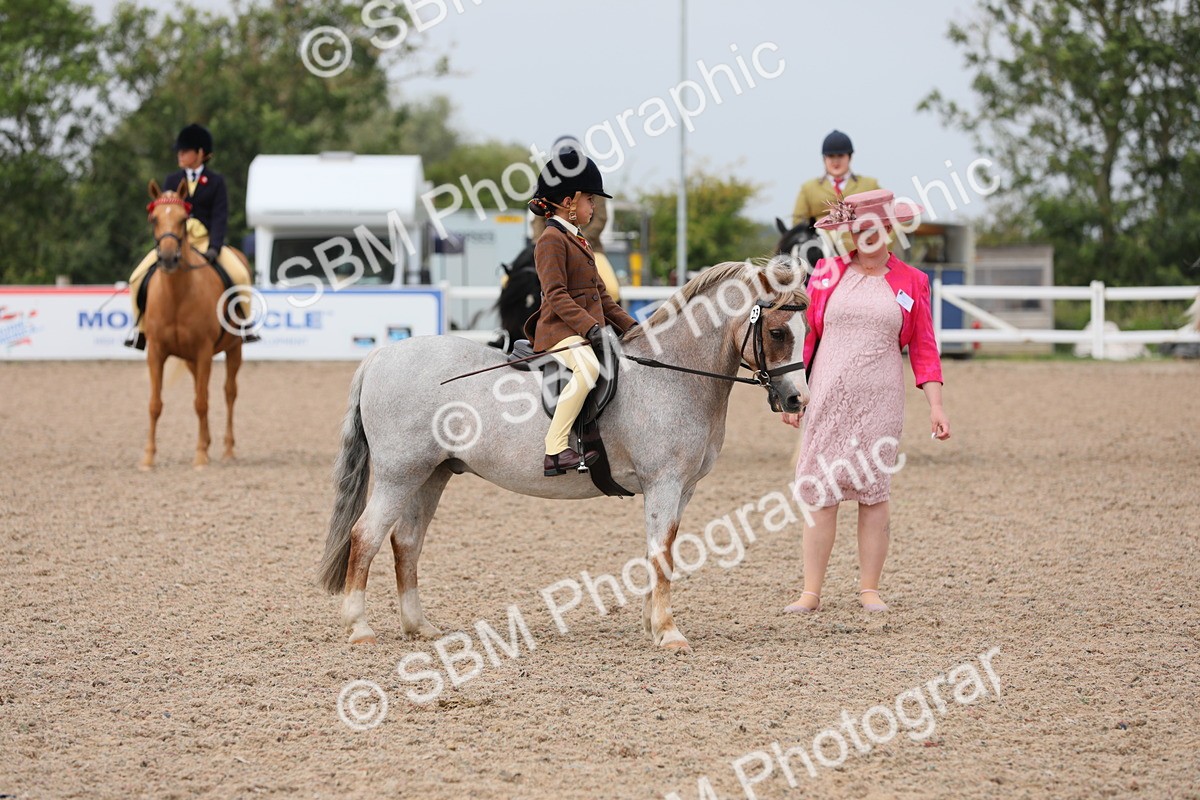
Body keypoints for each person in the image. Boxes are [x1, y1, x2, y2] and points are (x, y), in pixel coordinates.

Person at [780, 189, 950, 614]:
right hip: (826, 396)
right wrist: (794, 396)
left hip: (881, 401)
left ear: (889, 228)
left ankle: (869, 589)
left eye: (876, 226)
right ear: (851, 231)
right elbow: (808, 337)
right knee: (820, 491)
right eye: (859, 227)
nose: (868, 234)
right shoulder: (825, 272)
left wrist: (936, 405)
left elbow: (924, 348)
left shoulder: (913, 281)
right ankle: (811, 592)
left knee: (874, 493)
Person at [524, 150, 637, 476]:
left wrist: (634, 329)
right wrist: (591, 330)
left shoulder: (579, 241)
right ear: (568, 202)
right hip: (558, 332)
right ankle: (556, 449)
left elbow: (602, 296)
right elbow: (556, 296)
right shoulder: (550, 240)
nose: (594, 207)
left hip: (581, 329)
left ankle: (592, 436)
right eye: (590, 199)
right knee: (587, 369)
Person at [125, 123, 256, 349]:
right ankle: (141, 331)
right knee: (136, 278)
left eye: (185, 151)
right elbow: (163, 217)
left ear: (200, 154)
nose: (180, 155)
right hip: (175, 242)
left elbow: (219, 216)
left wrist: (215, 246)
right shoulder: (171, 180)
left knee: (240, 274)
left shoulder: (216, 182)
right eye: (179, 151)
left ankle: (244, 325)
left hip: (206, 241)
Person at [530, 136, 620, 300]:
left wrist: (576, 237)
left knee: (612, 289)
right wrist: (539, 239)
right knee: (511, 281)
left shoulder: (590, 187)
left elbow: (600, 219)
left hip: (590, 244)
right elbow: (537, 220)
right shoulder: (548, 187)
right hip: (552, 241)